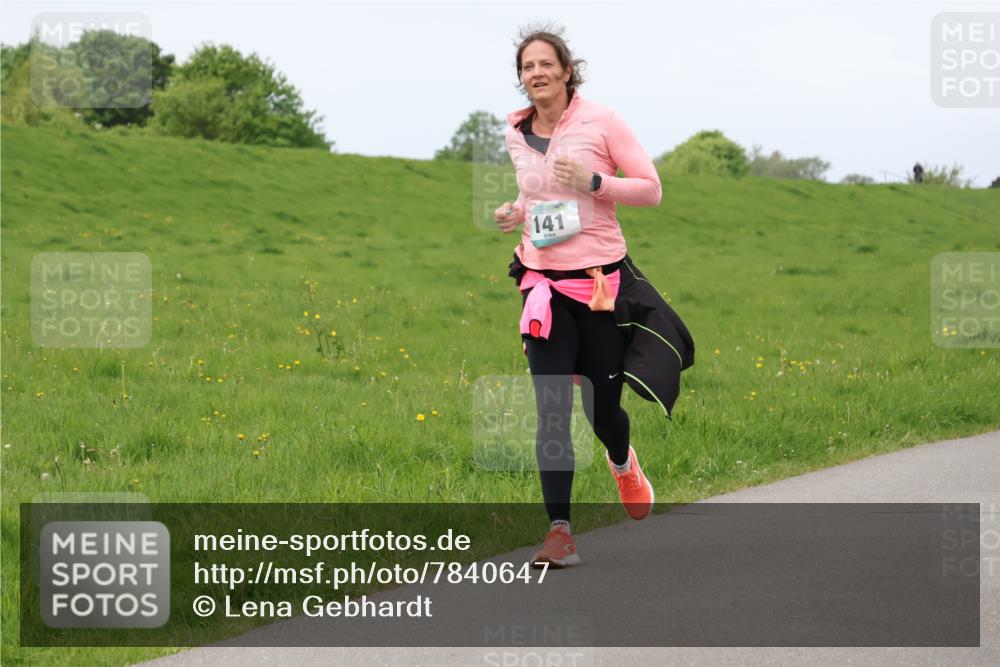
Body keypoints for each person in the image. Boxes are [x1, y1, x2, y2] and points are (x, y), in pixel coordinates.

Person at [494, 27, 693, 568]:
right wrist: (517, 211)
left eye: (544, 64)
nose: (535, 73)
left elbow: (650, 189)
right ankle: (560, 532)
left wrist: (594, 181)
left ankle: (623, 461)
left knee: (603, 410)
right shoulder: (516, 133)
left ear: (565, 70)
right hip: (544, 287)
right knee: (552, 411)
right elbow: (537, 195)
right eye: (526, 67)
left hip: (601, 287)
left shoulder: (602, 120)